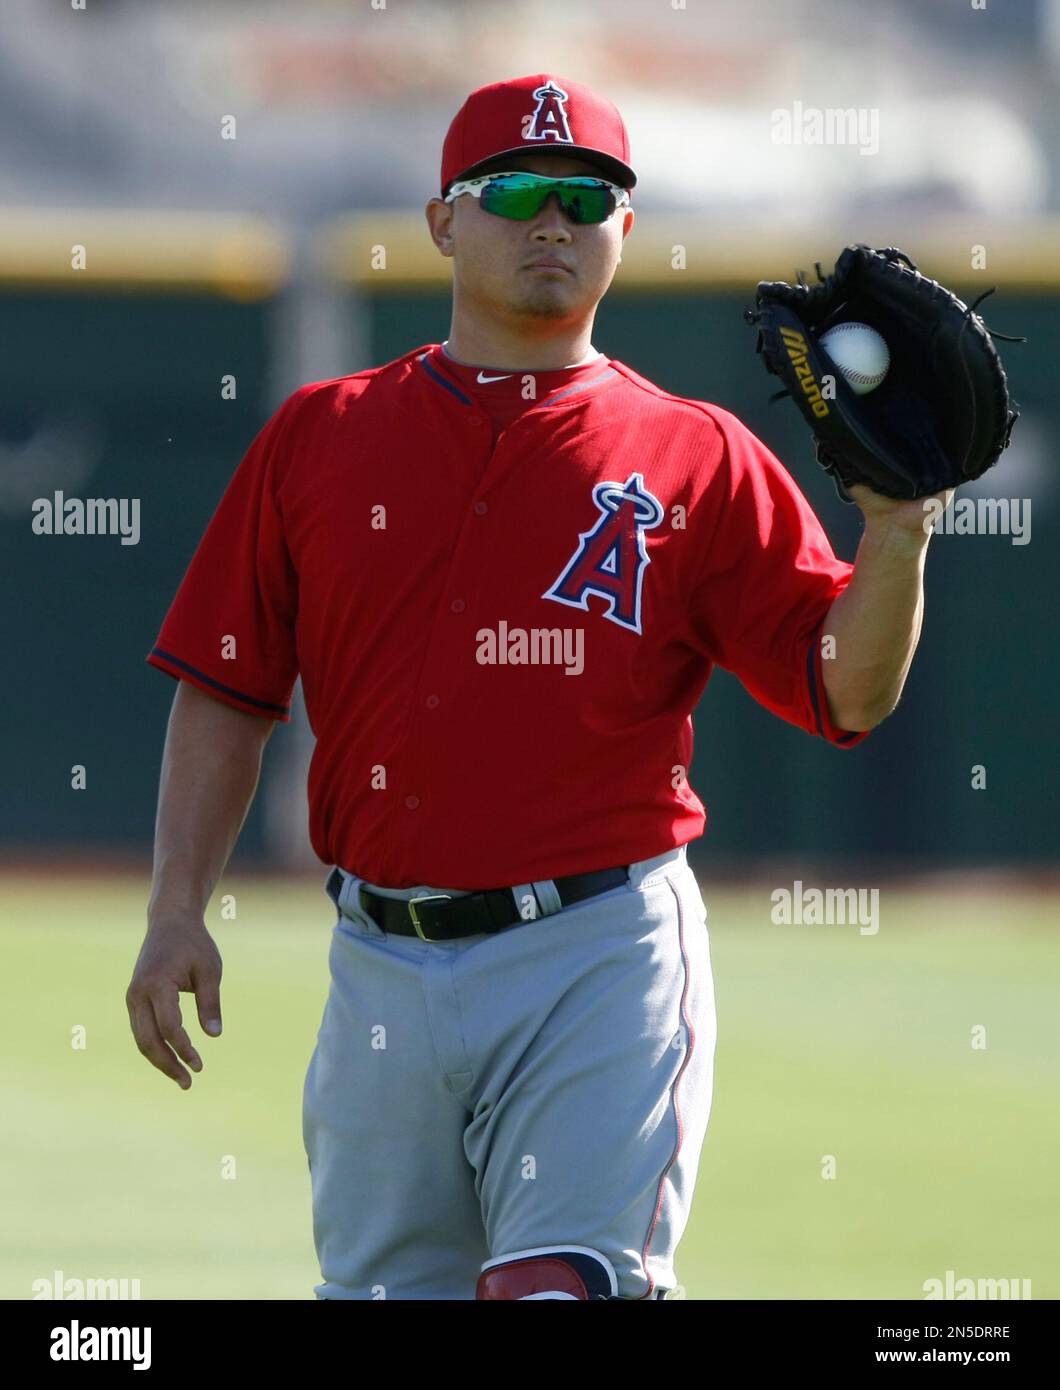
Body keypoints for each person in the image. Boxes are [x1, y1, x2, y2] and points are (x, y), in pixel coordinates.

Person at [128, 74, 945, 1300]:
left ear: (625, 226)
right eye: (514, 191)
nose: (552, 221)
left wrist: (898, 534)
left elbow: (848, 692)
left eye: (587, 195)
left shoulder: (700, 455)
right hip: (379, 961)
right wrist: (175, 906)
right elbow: (227, 691)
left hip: (596, 953)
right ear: (443, 222)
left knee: (560, 1287)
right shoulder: (321, 432)